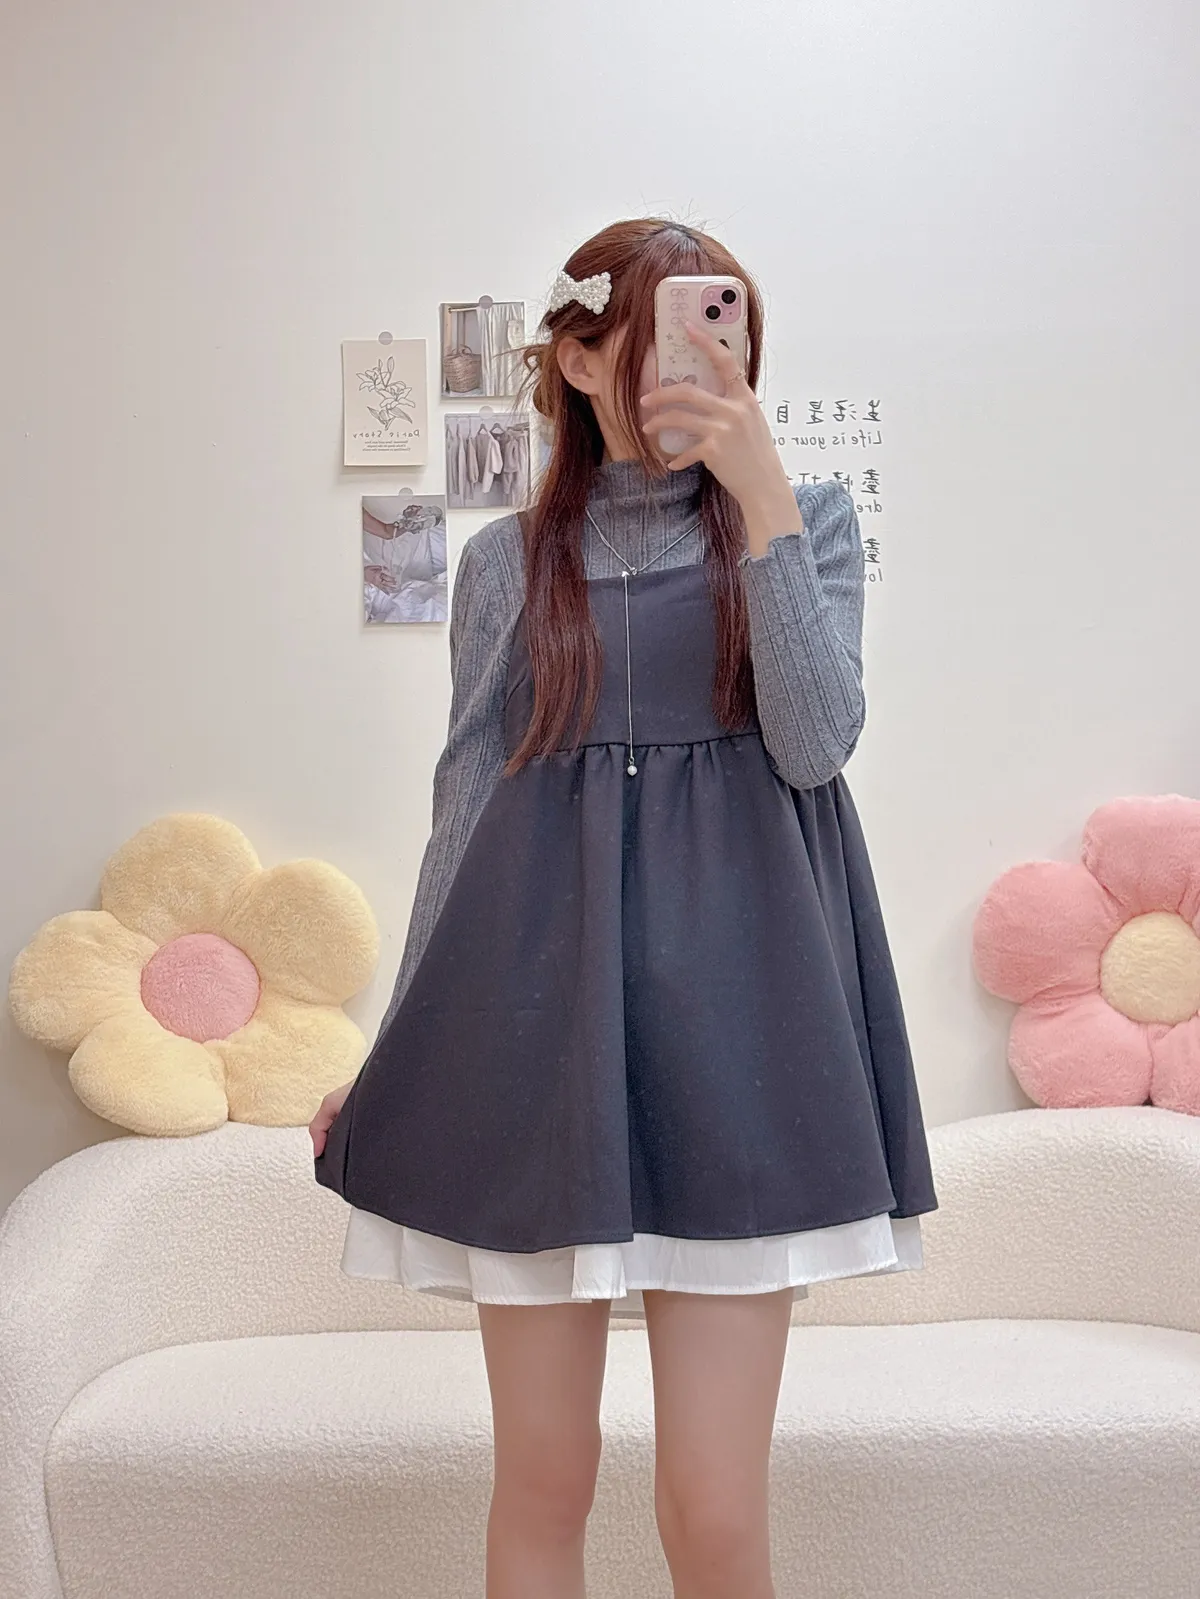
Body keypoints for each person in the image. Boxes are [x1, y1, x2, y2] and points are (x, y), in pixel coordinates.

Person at [312, 217, 939, 1599]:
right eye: (661, 337)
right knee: (543, 1481)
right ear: (583, 357)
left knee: (712, 1506)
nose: (699, 365)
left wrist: (760, 489)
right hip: (541, 1035)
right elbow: (463, 809)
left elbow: (815, 744)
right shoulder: (505, 564)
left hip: (747, 1028)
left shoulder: (806, 519)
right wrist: (396, 1050)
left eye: (724, 333)